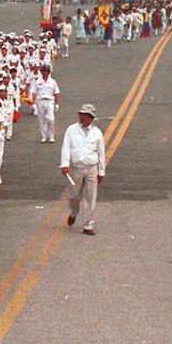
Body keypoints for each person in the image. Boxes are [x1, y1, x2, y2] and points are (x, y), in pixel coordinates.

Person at [60, 104, 106, 236]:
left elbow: (101, 153)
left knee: (90, 196)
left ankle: (88, 224)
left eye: (85, 115)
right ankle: (74, 212)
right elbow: (66, 147)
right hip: (76, 168)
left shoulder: (97, 133)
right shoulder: (71, 130)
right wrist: (64, 164)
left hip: (91, 167)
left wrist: (101, 171)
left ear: (91, 117)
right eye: (81, 114)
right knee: (74, 195)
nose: (82, 117)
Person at [31, 63, 60, 143]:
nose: (44, 72)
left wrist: (57, 104)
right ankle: (44, 136)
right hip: (40, 101)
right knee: (42, 120)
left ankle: (51, 136)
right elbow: (34, 92)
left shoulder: (53, 82)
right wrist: (33, 104)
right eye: (43, 71)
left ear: (49, 72)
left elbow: (56, 93)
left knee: (51, 119)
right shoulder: (37, 82)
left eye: (46, 71)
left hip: (50, 101)